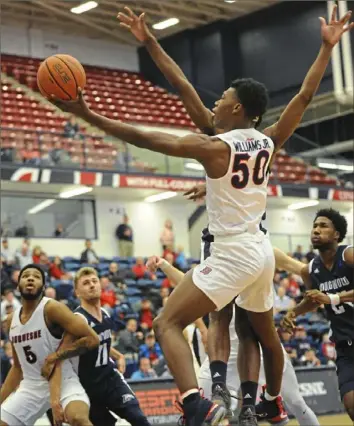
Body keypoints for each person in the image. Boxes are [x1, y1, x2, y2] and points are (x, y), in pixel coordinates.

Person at [51, 7, 353, 425]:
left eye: (224, 98)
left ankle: (197, 402)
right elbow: (301, 96)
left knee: (166, 323)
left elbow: (147, 137)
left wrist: (88, 115)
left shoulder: (218, 148)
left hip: (233, 251)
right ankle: (266, 401)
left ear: (239, 109)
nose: (217, 100)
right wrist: (325, 48)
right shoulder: (266, 141)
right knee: (258, 335)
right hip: (261, 250)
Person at [147, 249, 320, 426]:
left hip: (258, 347)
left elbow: (302, 268)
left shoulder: (261, 247)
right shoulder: (218, 253)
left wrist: (330, 284)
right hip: (223, 353)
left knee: (296, 402)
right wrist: (165, 266)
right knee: (201, 412)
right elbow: (189, 283)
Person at [43, 266, 151, 426]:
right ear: (77, 292)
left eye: (94, 281)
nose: (92, 285)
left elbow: (100, 343)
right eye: (86, 283)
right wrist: (55, 399)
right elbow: (60, 356)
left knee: (138, 417)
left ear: (101, 285)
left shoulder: (105, 313)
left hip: (110, 379)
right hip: (88, 386)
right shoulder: (78, 320)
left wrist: (117, 355)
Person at [0, 264, 100, 426]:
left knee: (78, 418)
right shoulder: (11, 320)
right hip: (31, 385)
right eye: (25, 276)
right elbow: (18, 368)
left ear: (44, 286)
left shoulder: (52, 308)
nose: (31, 278)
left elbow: (92, 339)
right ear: (18, 286)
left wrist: (56, 356)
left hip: (63, 380)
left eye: (36, 276)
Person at [282, 208, 354, 421]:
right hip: (344, 347)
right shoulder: (309, 270)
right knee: (350, 404)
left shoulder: (348, 255)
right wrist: (293, 312)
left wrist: (333, 298)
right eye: (314, 226)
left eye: (323, 226)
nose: (316, 230)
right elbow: (313, 299)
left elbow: (326, 298)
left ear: (336, 235)